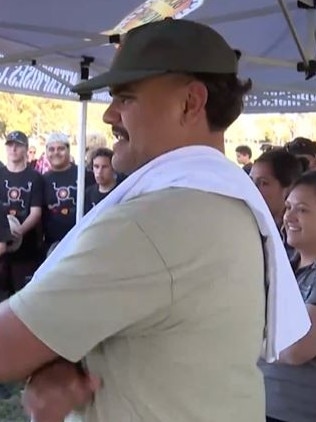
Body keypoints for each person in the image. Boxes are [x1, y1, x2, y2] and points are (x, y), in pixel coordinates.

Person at [0, 19, 309, 422]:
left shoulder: (159, 220)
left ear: (190, 103)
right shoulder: (223, 200)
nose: (109, 114)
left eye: (125, 98)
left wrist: (45, 362)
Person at [259, 170, 316, 422]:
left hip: (292, 412)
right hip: (259, 403)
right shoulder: (283, 263)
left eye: (302, 210)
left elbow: (296, 348)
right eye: (289, 207)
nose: (289, 217)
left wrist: (242, 335)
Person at [0, 131, 43, 296]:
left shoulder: (35, 177)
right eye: (10, 145)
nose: (13, 149)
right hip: (2, 251)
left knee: (23, 297)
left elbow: (36, 212)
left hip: (26, 250)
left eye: (18, 145)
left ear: (26, 148)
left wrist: (18, 232)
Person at [42, 132, 95, 255]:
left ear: (68, 150)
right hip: (52, 244)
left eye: (60, 148)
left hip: (80, 241)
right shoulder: (42, 179)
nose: (56, 153)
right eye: (51, 149)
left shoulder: (84, 174)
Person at [250, 149, 307, 258]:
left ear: (289, 188)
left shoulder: (298, 236)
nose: (253, 189)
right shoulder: (254, 225)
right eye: (251, 181)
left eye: (263, 183)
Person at [84, 147, 118, 213]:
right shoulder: (88, 194)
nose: (99, 171)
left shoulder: (121, 190)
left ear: (113, 168)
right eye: (96, 166)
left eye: (104, 167)